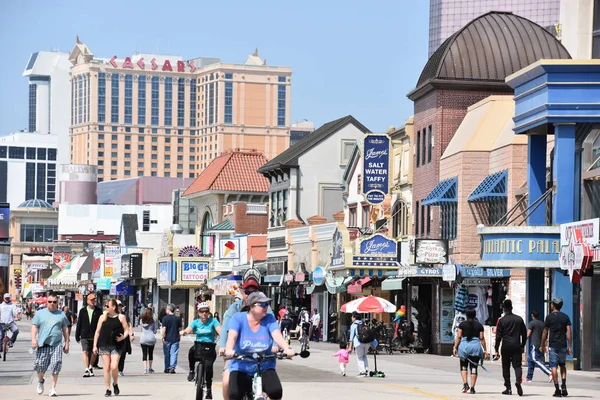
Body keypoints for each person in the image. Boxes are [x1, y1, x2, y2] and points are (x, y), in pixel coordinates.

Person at [224, 292, 294, 400]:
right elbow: (232, 337)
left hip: (264, 365)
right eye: (262, 304)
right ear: (251, 306)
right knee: (234, 394)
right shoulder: (238, 318)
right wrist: (229, 349)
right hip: (242, 365)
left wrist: (286, 348)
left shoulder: (269, 318)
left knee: (276, 392)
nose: (266, 307)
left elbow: (277, 336)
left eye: (267, 304)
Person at [218, 274, 273, 400]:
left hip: (260, 354)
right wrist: (224, 348)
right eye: (248, 292)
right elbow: (225, 331)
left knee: (272, 390)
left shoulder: (266, 309)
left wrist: (276, 346)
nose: (251, 295)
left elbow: (273, 328)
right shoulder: (234, 309)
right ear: (242, 293)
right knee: (227, 382)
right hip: (237, 354)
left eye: (255, 292)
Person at [31, 293, 70, 397]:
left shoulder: (61, 314)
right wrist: (33, 339)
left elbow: (65, 329)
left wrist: (67, 343)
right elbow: (34, 327)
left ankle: (52, 388)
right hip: (43, 344)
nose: (52, 304)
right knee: (40, 367)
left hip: (56, 345)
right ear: (46, 302)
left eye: (54, 302)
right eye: (50, 302)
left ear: (57, 303)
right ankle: (40, 380)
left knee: (56, 365)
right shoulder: (40, 314)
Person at [180, 302, 221, 399]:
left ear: (209, 312)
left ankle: (209, 390)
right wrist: (184, 332)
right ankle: (191, 371)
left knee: (209, 368)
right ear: (198, 313)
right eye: (202, 311)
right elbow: (188, 329)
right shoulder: (196, 322)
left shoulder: (213, 321)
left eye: (206, 311)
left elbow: (219, 330)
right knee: (191, 352)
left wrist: (223, 335)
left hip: (210, 347)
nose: (204, 314)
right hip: (199, 346)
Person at [93, 299, 129, 397]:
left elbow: (126, 330)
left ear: (113, 307)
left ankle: (115, 383)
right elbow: (97, 332)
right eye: (105, 306)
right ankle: (108, 389)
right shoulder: (102, 317)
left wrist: (123, 337)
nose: (105, 307)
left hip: (116, 344)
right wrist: (94, 345)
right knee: (106, 367)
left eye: (107, 306)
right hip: (104, 344)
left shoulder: (121, 317)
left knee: (114, 366)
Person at [494, 299, 527, 396]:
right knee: (517, 366)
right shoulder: (519, 319)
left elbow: (498, 337)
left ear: (504, 308)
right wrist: (522, 345)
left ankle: (508, 388)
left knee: (506, 367)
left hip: (506, 346)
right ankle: (518, 381)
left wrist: (496, 349)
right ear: (511, 307)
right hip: (516, 346)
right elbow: (524, 334)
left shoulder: (502, 320)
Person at [540, 297, 572, 397]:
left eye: (551, 303)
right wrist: (569, 346)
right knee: (563, 365)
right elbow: (569, 332)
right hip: (563, 345)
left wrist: (542, 344)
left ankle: (557, 389)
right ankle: (564, 385)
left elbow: (545, 332)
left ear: (553, 305)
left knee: (553, 366)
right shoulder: (565, 317)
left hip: (553, 345)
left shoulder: (549, 317)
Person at [453, 309, 488, 394]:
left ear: (467, 315)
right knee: (474, 368)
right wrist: (485, 350)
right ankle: (472, 388)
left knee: (463, 366)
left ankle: (465, 384)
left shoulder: (462, 325)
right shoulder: (479, 325)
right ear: (475, 315)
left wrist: (455, 347)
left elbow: (459, 336)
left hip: (464, 347)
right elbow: (482, 338)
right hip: (475, 347)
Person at [76, 292, 103, 377]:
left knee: (94, 352)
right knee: (85, 351)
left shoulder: (98, 311)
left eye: (94, 300)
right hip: (84, 334)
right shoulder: (83, 311)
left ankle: (91, 366)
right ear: (87, 301)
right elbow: (79, 323)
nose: (93, 301)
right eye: (91, 300)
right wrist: (77, 334)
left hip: (95, 334)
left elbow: (102, 323)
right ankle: (86, 368)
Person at [524, 309, 552, 383]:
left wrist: (523, 341)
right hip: (540, 344)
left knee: (535, 359)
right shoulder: (542, 324)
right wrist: (544, 345)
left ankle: (549, 372)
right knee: (530, 360)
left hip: (534, 344)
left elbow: (528, 334)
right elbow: (545, 335)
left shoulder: (532, 323)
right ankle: (529, 377)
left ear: (532, 315)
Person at [348, 312, 378, 376]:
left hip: (358, 343)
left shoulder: (353, 325)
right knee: (364, 356)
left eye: (352, 317)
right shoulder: (364, 323)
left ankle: (362, 372)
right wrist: (373, 345)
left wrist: (350, 347)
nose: (351, 318)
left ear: (354, 317)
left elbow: (351, 338)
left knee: (359, 357)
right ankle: (366, 369)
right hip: (367, 342)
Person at [161, 304, 182, 373]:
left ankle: (167, 367)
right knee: (174, 353)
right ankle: (172, 367)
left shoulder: (165, 318)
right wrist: (180, 336)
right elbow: (180, 329)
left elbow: (164, 328)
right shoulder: (178, 318)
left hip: (167, 338)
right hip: (175, 338)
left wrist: (162, 336)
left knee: (167, 354)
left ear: (169, 310)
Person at [116, 300, 134, 376]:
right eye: (118, 306)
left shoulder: (125, 315)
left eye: (120, 306)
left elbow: (129, 324)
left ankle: (120, 370)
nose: (120, 307)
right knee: (115, 354)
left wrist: (131, 333)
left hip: (124, 337)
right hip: (115, 336)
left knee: (123, 353)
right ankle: (115, 368)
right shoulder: (112, 315)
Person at [139, 307, 157, 374]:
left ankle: (145, 369)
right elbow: (155, 331)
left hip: (143, 339)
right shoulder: (153, 321)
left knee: (144, 354)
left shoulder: (141, 321)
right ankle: (150, 367)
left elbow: (141, 329)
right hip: (151, 339)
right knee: (150, 353)